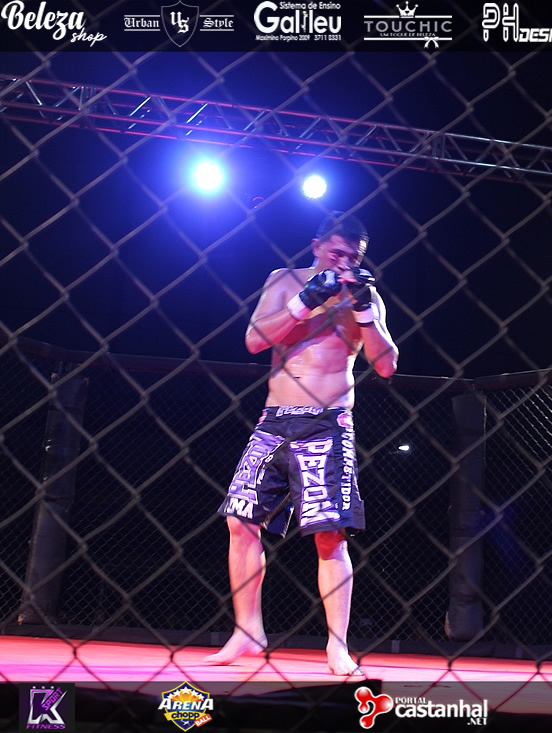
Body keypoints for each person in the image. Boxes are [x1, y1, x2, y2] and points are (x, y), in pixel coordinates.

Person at [205, 211, 399, 676]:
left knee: (330, 535)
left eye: (352, 257)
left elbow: (387, 365)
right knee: (239, 520)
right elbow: (254, 340)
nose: (344, 263)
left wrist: (363, 310)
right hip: (274, 419)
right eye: (336, 253)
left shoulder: (365, 296)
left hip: (329, 423)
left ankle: (337, 646)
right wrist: (307, 299)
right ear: (317, 246)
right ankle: (247, 631)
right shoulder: (283, 280)